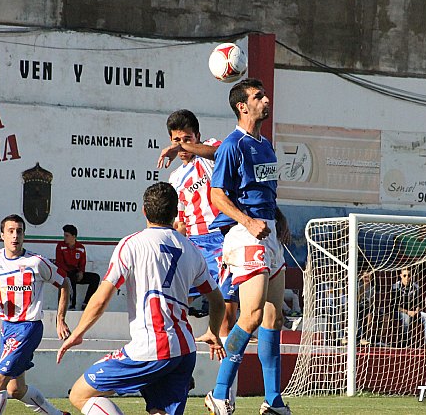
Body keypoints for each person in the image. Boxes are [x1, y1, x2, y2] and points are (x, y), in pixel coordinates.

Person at [57, 182, 227, 415]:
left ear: (144, 211)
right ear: (175, 212)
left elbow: (100, 299)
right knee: (160, 411)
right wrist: (213, 332)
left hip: (150, 348)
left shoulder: (132, 244)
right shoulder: (191, 249)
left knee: (80, 394)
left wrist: (77, 334)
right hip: (184, 350)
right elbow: (218, 302)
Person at [205, 78, 292, 415]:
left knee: (274, 319)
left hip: (268, 231)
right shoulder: (232, 145)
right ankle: (219, 391)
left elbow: (262, 190)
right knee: (252, 314)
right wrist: (247, 221)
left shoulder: (265, 144)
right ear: (242, 106)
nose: (266, 99)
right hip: (245, 233)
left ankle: (273, 401)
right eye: (258, 97)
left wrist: (277, 217)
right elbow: (217, 195)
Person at [0, 214, 71, 415]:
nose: (15, 236)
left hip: (28, 327)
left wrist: (60, 319)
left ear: (23, 235)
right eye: (10, 231)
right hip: (7, 328)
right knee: (15, 389)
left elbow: (65, 283)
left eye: (19, 231)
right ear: (2, 235)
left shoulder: (36, 262)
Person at [161, 109, 240, 343]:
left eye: (187, 139)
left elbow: (220, 154)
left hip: (222, 236)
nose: (182, 146)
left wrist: (185, 148)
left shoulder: (210, 151)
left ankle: (222, 346)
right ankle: (172, 343)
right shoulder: (175, 178)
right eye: (176, 140)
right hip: (195, 242)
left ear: (198, 137)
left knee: (227, 305)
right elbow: (181, 220)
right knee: (179, 296)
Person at [55, 224, 101, 310]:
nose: (65, 238)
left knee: (95, 278)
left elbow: (82, 263)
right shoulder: (60, 246)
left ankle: (86, 303)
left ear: (74, 236)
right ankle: (72, 305)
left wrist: (81, 272)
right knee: (71, 277)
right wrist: (71, 271)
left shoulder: (81, 248)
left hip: (76, 273)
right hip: (65, 273)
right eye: (64, 235)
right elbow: (60, 263)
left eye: (67, 236)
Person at [391, 267, 426, 349]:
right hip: (399, 312)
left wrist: (417, 310)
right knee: (407, 318)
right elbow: (393, 306)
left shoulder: (415, 286)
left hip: (413, 311)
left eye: (409, 275)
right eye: (404, 275)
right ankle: (405, 342)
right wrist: (408, 312)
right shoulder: (395, 287)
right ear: (401, 276)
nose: (407, 277)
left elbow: (418, 302)